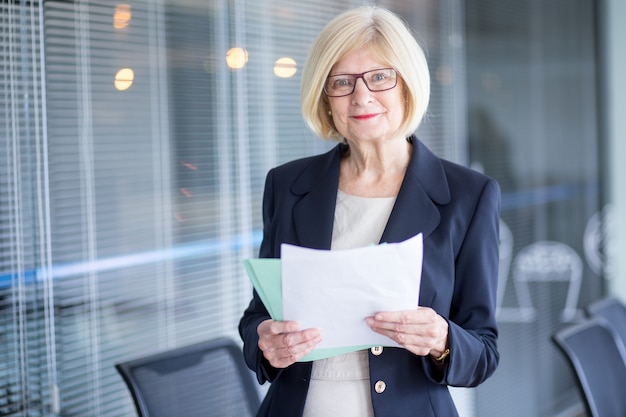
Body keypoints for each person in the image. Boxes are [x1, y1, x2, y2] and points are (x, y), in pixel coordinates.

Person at [239, 5, 500, 417]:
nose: (361, 96)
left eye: (379, 77)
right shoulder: (288, 186)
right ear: (325, 98)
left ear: (406, 85)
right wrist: (265, 340)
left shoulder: (469, 196)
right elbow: (258, 315)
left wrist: (442, 338)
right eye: (341, 82)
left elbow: (483, 351)